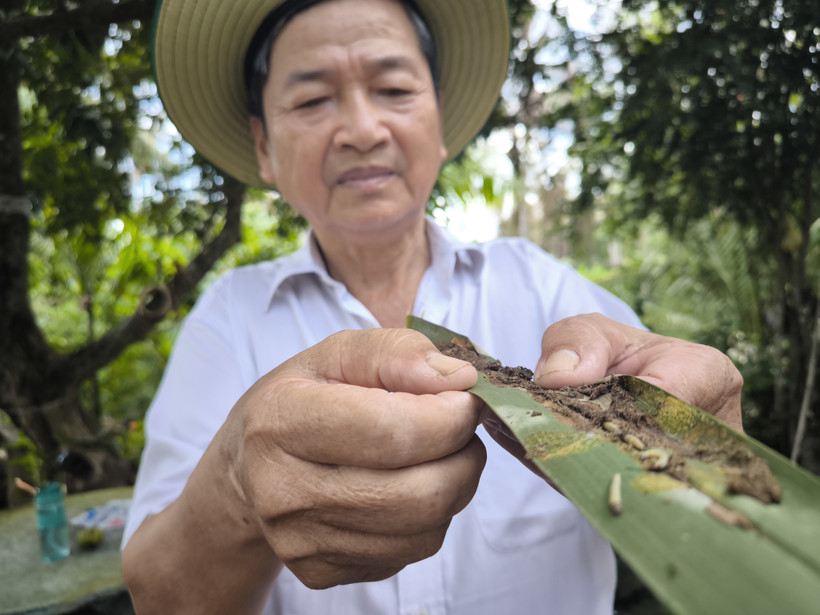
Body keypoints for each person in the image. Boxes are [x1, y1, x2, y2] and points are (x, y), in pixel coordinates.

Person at [122, 0, 744, 612]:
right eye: (312, 100)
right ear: (264, 144)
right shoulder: (230, 316)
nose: (363, 131)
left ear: (439, 119)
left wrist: (710, 433)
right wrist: (237, 484)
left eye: (393, 87)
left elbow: (705, 525)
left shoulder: (541, 284)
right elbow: (159, 593)